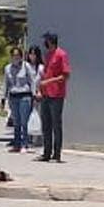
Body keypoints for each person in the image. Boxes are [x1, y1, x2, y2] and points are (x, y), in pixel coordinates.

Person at [37, 32, 71, 163]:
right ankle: (46, 152)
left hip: (57, 94)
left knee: (56, 124)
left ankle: (57, 154)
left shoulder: (61, 54)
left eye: (46, 40)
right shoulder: (47, 55)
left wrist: (49, 81)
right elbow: (45, 74)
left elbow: (65, 76)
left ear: (51, 41)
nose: (45, 43)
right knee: (46, 124)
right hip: (46, 93)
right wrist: (41, 88)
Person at [4, 47, 38, 153]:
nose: (16, 57)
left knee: (24, 121)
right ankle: (16, 144)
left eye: (17, 55)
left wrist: (34, 95)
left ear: (21, 56)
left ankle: (25, 144)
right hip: (13, 96)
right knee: (16, 122)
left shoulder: (26, 66)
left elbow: (32, 81)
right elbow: (6, 83)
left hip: (25, 96)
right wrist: (3, 98)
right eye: (13, 55)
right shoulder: (8, 68)